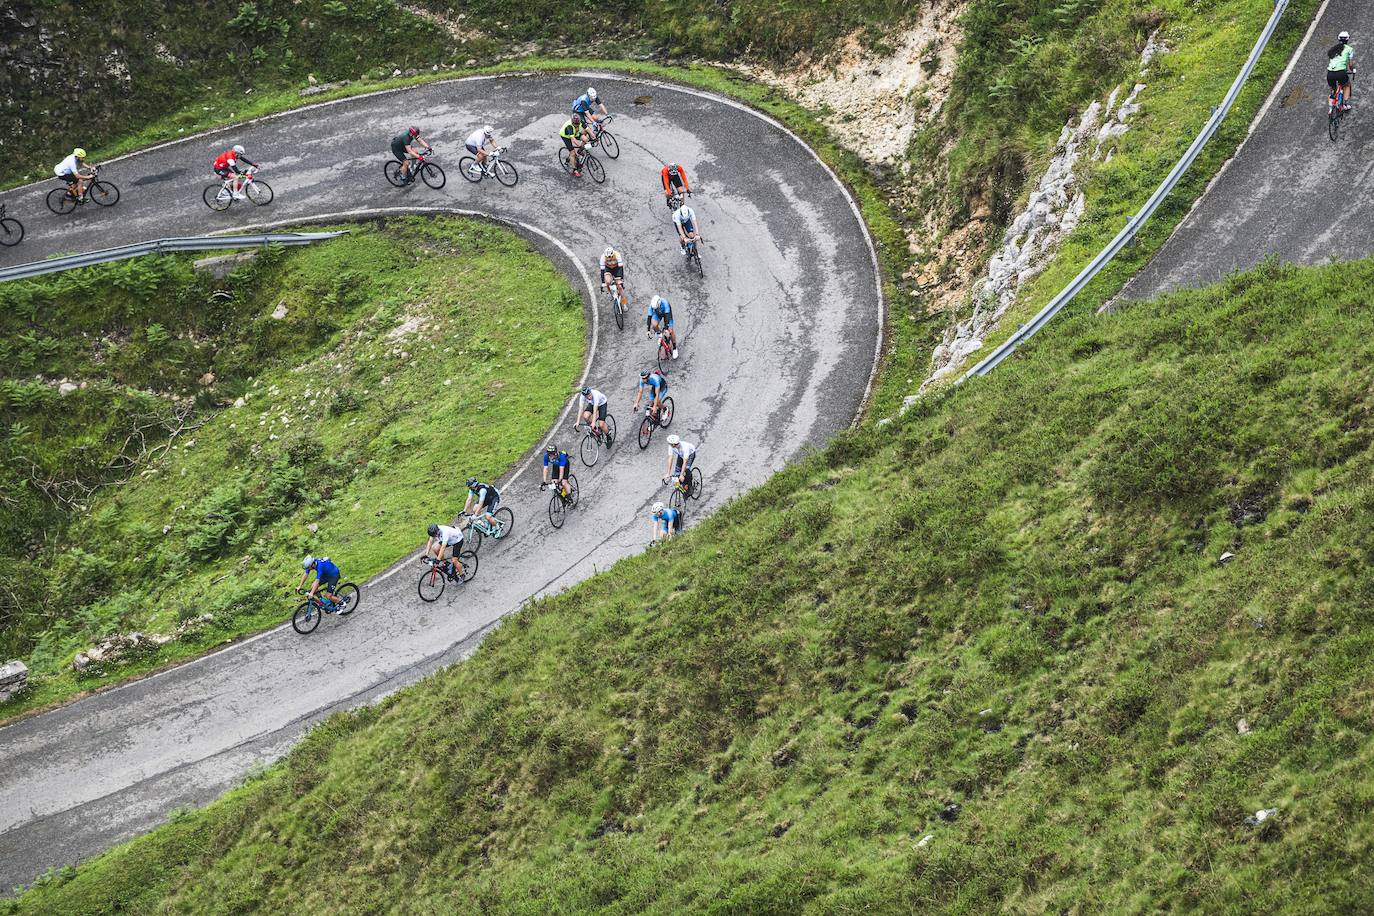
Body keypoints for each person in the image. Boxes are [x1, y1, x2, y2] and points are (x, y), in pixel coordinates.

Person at [1329, 31, 1355, 111]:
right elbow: (1350, 65)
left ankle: (1330, 109)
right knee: (1347, 85)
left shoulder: (1333, 49)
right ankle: (1345, 105)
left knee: (1332, 90)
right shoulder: (1349, 49)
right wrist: (1352, 70)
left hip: (1330, 73)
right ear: (1347, 39)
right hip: (1341, 73)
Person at [646, 294, 678, 359]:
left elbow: (667, 317)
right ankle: (659, 334)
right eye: (654, 308)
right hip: (658, 314)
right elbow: (649, 318)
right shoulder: (651, 306)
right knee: (654, 325)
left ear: (659, 303)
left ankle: (674, 348)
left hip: (667, 314)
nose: (654, 308)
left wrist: (666, 328)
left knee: (670, 331)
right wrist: (648, 330)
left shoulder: (665, 303)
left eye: (656, 308)